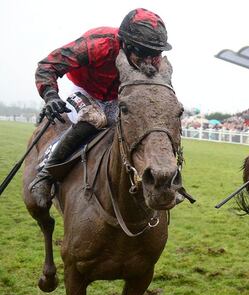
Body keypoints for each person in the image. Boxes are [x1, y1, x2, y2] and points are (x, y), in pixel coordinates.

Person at [30, 8, 172, 208]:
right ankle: (46, 175)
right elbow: (48, 65)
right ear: (126, 43)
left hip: (116, 98)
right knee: (95, 119)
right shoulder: (99, 43)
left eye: (155, 54)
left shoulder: (153, 58)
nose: (149, 62)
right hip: (85, 90)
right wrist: (50, 95)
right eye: (144, 53)